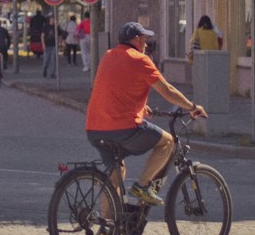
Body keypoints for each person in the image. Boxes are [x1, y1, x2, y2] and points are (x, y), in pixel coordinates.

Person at [85, 21, 207, 205]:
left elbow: (116, 89)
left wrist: (141, 108)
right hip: (122, 128)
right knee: (167, 142)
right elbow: (167, 91)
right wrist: (191, 106)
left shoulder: (109, 55)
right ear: (135, 39)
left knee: (116, 175)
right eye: (144, 39)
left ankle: (107, 227)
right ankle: (142, 187)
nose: (146, 44)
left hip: (94, 129)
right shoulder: (141, 60)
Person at [41, 13, 58, 77]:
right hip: (47, 45)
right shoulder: (46, 26)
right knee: (46, 60)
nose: (53, 20)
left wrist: (60, 42)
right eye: (52, 19)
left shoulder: (56, 27)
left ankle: (52, 73)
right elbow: (42, 36)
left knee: (53, 60)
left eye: (54, 19)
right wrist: (43, 44)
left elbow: (60, 34)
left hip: (54, 45)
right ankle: (44, 70)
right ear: (50, 19)